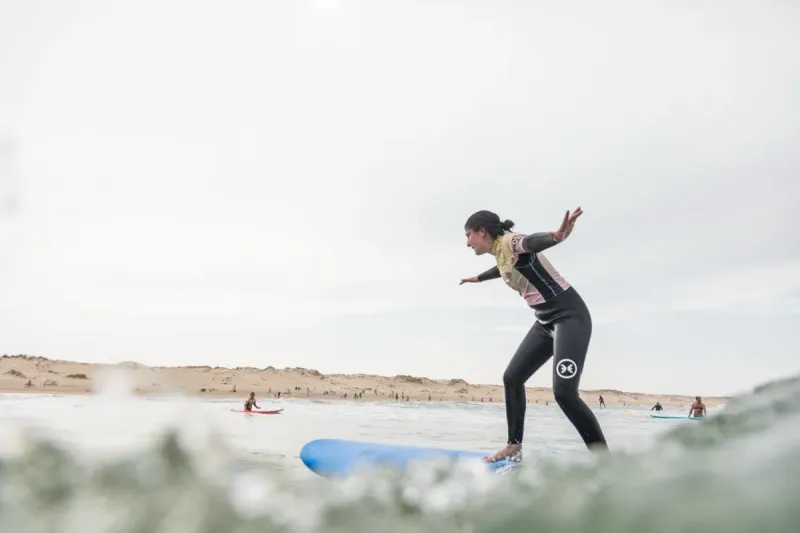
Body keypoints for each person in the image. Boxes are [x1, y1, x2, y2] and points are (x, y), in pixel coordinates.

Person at [460, 207, 607, 463]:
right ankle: (513, 446)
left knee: (564, 394)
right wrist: (479, 278)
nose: (467, 242)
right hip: (545, 321)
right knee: (512, 378)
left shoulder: (510, 241)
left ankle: (604, 460)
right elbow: (502, 267)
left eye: (468, 235)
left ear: (481, 231)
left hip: (569, 317)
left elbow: (529, 242)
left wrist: (556, 236)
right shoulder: (500, 253)